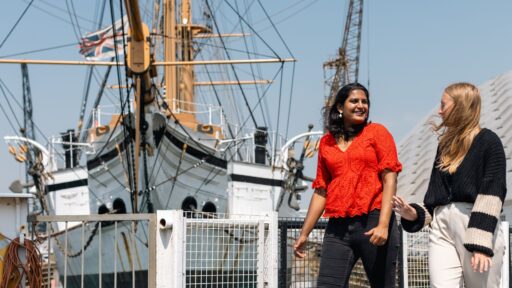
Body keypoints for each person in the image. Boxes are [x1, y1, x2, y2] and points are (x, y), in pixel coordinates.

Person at [393, 82, 507, 287]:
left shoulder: (489, 142)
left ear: (460, 107)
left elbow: (492, 192)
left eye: (443, 105)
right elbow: (436, 198)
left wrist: (480, 244)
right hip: (442, 226)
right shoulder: (445, 145)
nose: (439, 110)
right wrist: (414, 214)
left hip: (475, 224)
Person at [293, 83, 402, 288]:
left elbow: (390, 179)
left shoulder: (377, 132)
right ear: (340, 108)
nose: (361, 105)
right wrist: (304, 233)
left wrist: (384, 225)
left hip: (373, 221)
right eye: (354, 101)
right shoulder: (326, 142)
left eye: (365, 101)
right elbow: (321, 191)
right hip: (338, 228)